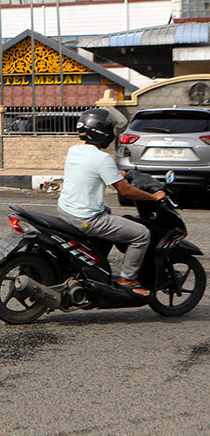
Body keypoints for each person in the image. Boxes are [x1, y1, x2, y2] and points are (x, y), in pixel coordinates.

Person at [57, 109, 165, 297]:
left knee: (106, 210)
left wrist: (119, 175)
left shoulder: (75, 150)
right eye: (112, 130)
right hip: (86, 219)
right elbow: (125, 190)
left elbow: (96, 172)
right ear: (103, 131)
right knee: (141, 234)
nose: (114, 134)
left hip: (66, 211)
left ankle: (94, 264)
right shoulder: (101, 158)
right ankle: (127, 278)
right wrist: (154, 197)